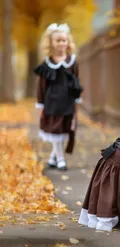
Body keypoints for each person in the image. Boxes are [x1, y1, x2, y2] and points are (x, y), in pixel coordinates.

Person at [34, 23, 83, 171]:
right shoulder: (47, 63)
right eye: (58, 40)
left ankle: (52, 157)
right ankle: (60, 159)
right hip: (52, 102)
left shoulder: (72, 62)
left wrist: (76, 98)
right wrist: (41, 103)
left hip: (67, 101)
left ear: (68, 42)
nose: (61, 43)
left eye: (64, 40)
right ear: (51, 42)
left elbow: (76, 80)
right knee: (55, 129)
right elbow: (42, 85)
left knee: (62, 130)